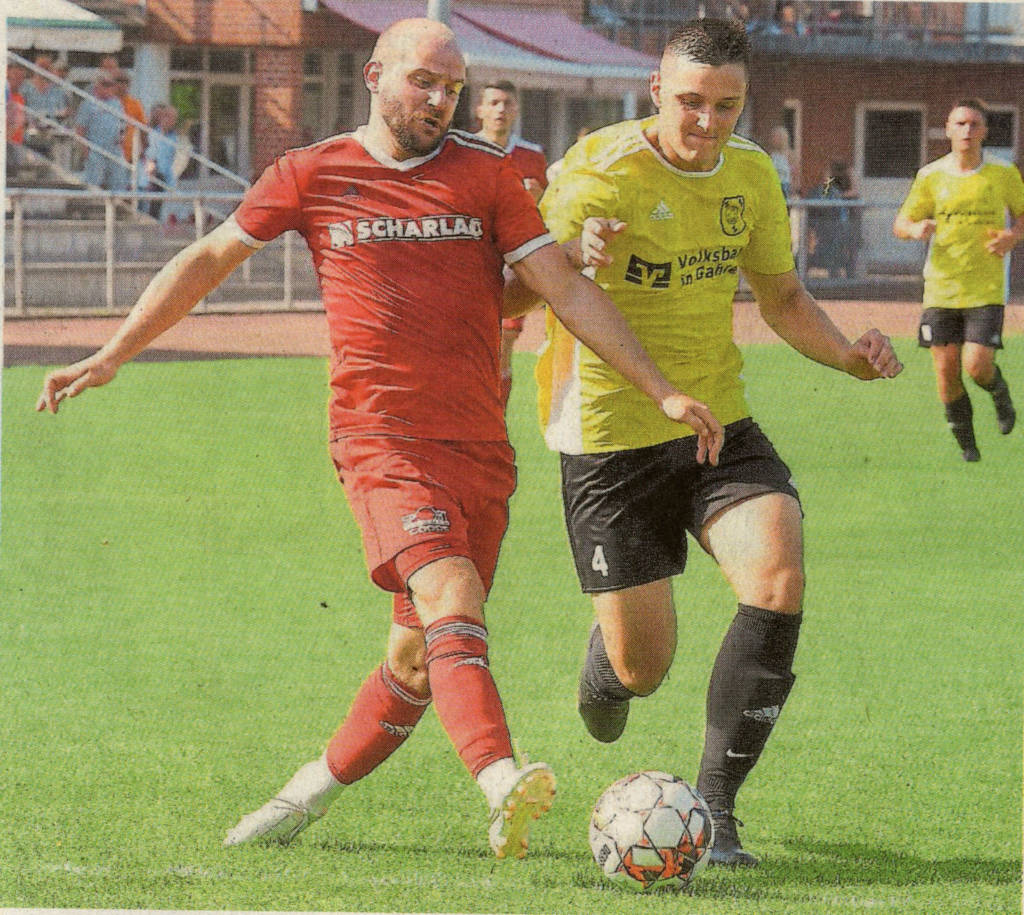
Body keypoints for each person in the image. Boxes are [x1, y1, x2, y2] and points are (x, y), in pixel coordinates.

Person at [37, 17, 720, 860]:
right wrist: (111, 352)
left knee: (417, 661)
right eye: (422, 82)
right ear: (373, 75)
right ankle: (502, 781)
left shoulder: (487, 176)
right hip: (380, 441)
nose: (439, 101)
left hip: (478, 448)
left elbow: (563, 291)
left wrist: (660, 386)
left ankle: (301, 796)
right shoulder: (311, 172)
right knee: (452, 598)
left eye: (452, 89)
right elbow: (208, 260)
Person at [525, 18, 901, 867]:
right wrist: (574, 253)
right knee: (643, 668)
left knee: (777, 572)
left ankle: (717, 813)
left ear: (744, 102)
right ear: (657, 89)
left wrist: (847, 354)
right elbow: (528, 285)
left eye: (726, 106)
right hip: (609, 433)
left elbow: (782, 297)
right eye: (691, 101)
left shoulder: (750, 173)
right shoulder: (599, 169)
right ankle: (609, 664)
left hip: (715, 419)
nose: (706, 121)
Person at [893, 98, 1024, 462]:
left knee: (977, 365)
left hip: (986, 287)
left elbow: (1022, 216)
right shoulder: (931, 175)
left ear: (985, 131)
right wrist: (915, 228)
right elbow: (901, 223)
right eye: (960, 124)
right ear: (948, 130)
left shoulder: (1002, 173)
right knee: (946, 372)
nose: (967, 130)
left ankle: (998, 392)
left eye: (974, 124)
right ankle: (968, 445)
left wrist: (1013, 237)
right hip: (941, 288)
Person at [474, 79, 549, 409]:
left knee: (503, 345)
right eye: (493, 103)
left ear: (517, 109)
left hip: (512, 264)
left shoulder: (532, 156)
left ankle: (495, 424)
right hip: (471, 262)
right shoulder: (463, 151)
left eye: (507, 103)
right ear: (480, 109)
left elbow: (546, 211)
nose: (501, 110)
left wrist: (537, 198)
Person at [73, 73, 128, 191]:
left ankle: (117, 202)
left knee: (119, 182)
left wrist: (121, 138)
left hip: (114, 149)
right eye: (105, 84)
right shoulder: (88, 104)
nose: (108, 88)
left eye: (110, 85)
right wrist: (86, 152)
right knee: (94, 184)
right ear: (96, 86)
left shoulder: (117, 103)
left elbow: (122, 124)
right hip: (95, 149)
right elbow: (80, 129)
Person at [808, 160, 859, 279]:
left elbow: (854, 192)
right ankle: (837, 272)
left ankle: (845, 274)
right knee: (833, 245)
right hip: (830, 227)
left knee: (844, 245)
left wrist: (849, 175)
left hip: (841, 226)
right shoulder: (827, 191)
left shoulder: (846, 194)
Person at [114, 71, 147, 179]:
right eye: (119, 82)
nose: (122, 85)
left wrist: (144, 151)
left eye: (125, 82)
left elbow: (143, 128)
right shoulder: (107, 102)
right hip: (110, 150)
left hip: (129, 153)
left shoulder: (135, 104)